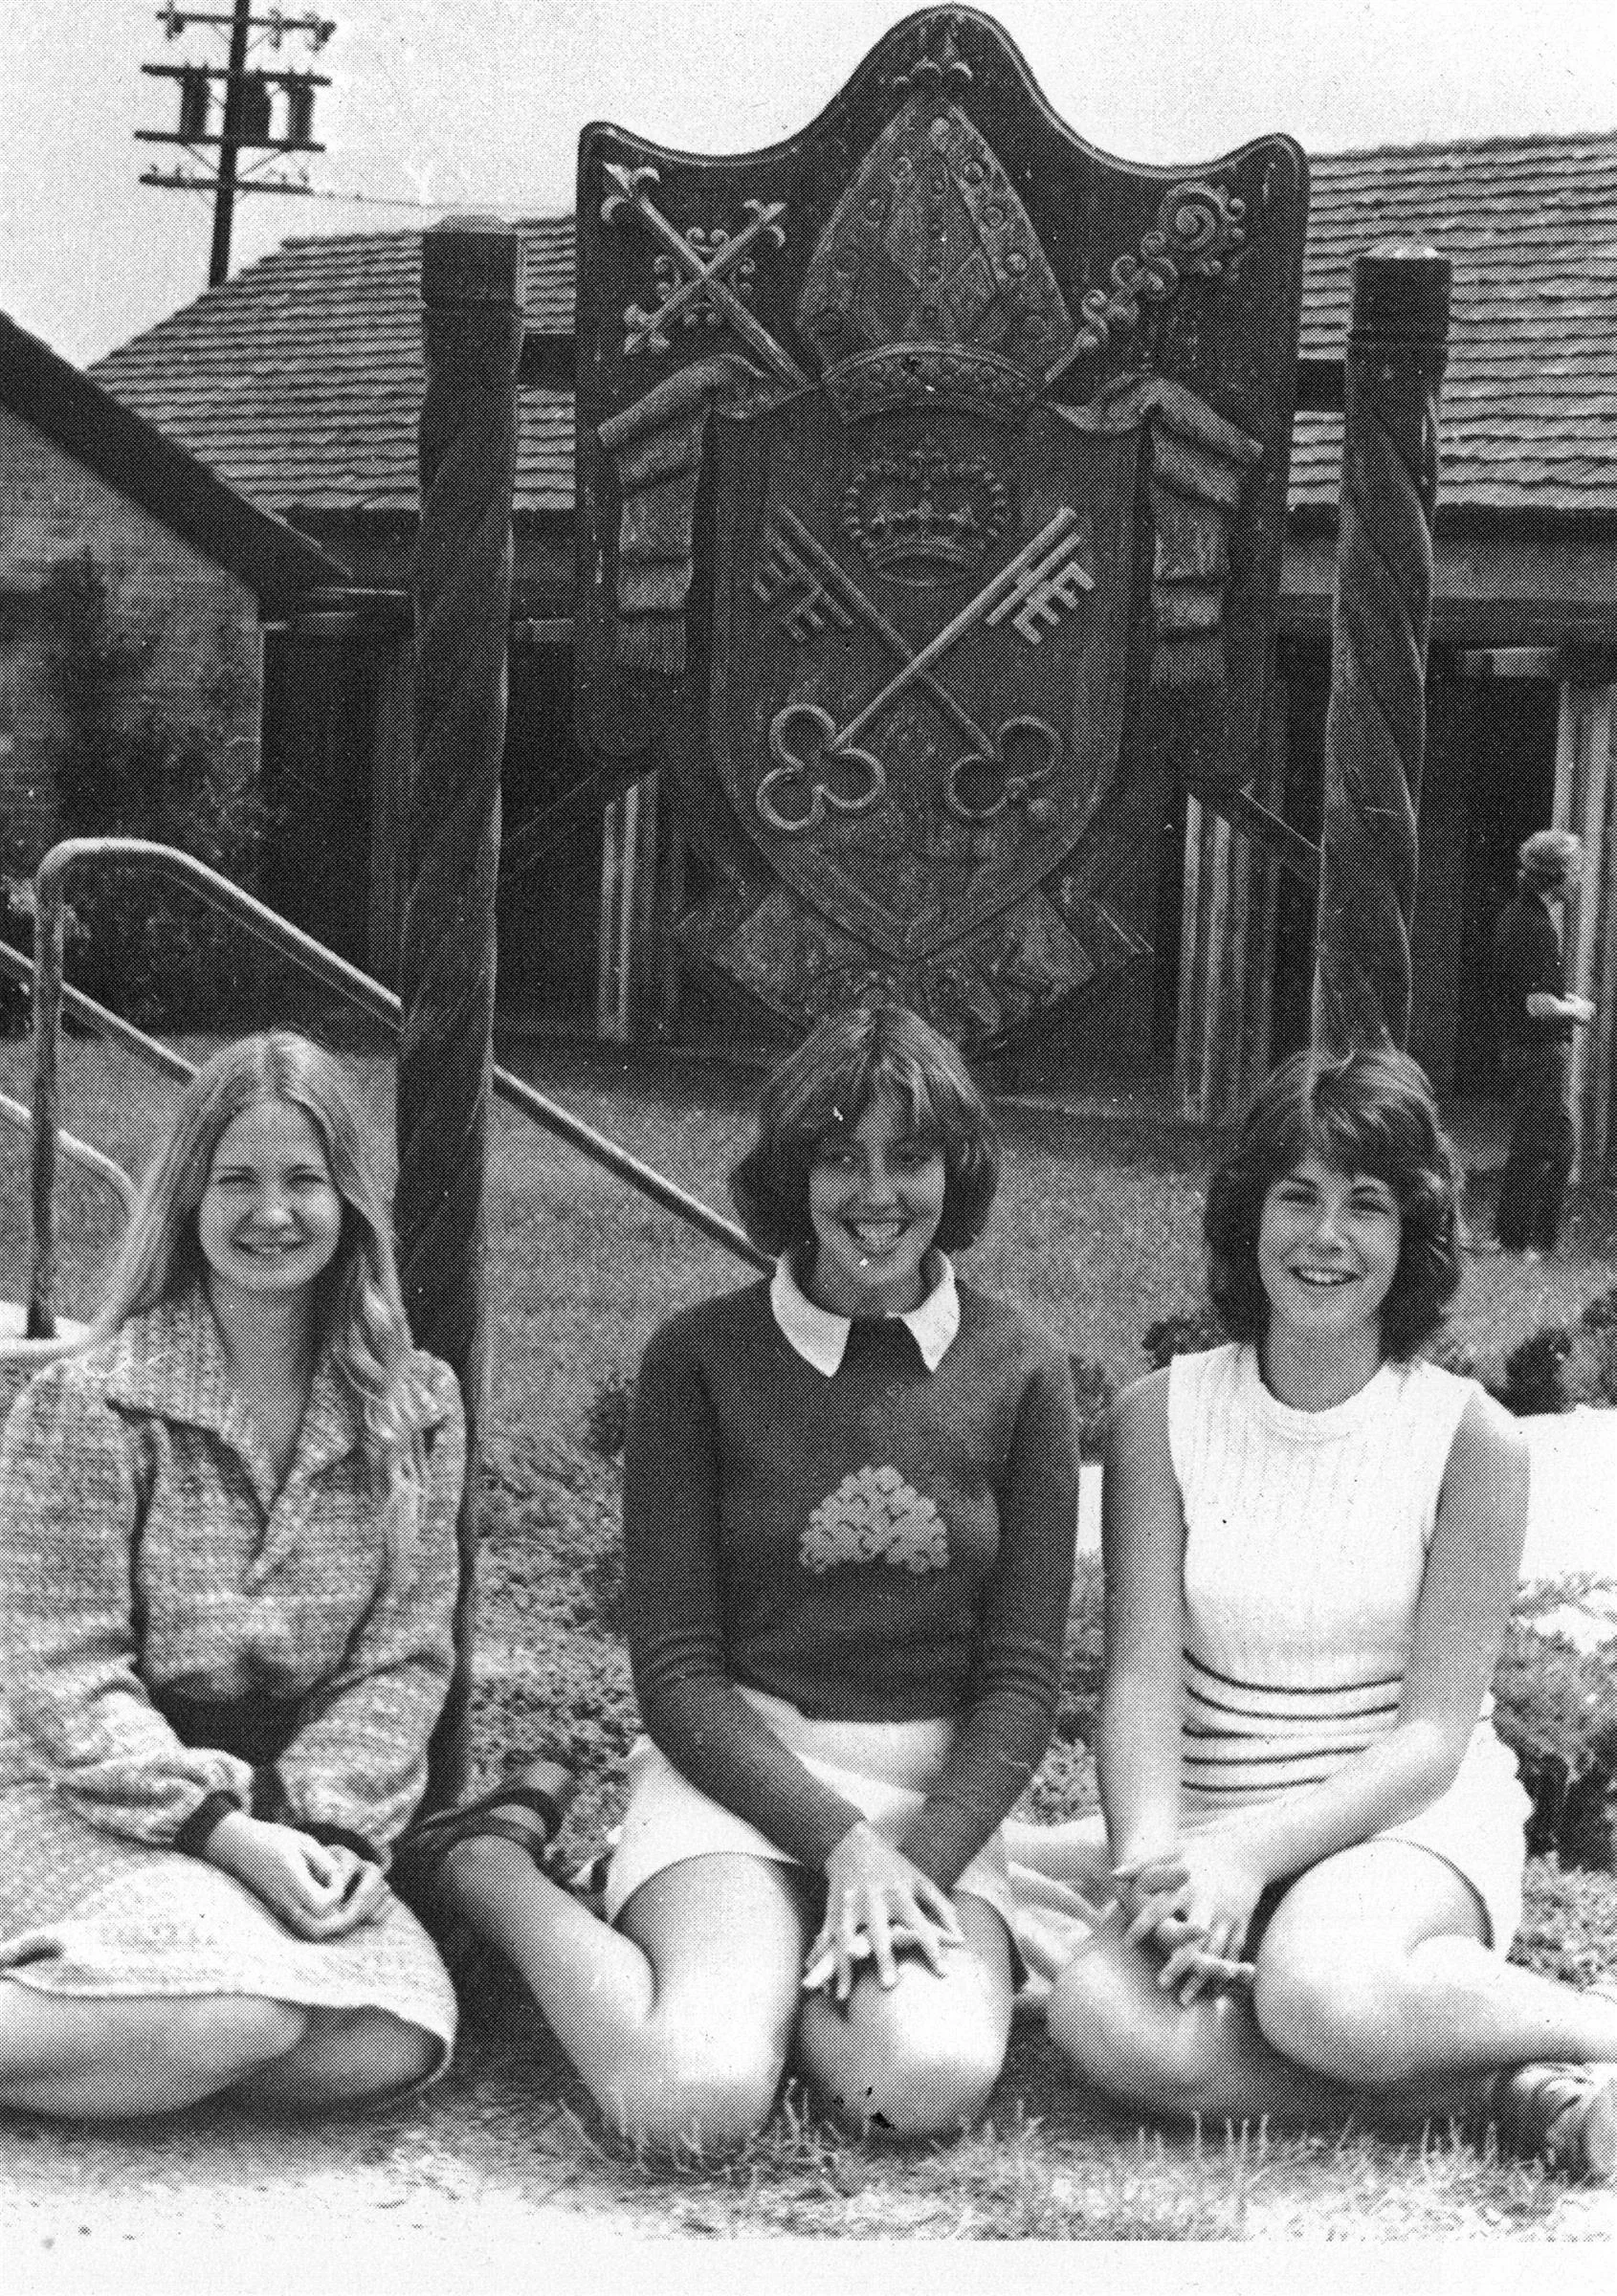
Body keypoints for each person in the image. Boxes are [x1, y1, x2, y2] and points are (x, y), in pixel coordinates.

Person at [405, 1003, 1080, 2152]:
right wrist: (839, 1848)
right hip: (737, 1777)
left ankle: (797, 1989)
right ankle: (489, 1867)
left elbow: (1020, 1681)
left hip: (929, 1814)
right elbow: (676, 1670)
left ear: (954, 1171)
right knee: (691, 2104)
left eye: (909, 1157)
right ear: (790, 1174)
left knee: (916, 2085)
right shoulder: (699, 1359)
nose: (877, 1194)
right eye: (838, 1158)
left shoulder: (1022, 1369)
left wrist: (907, 1865)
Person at [1006, 1047, 1617, 2179]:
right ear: (1249, 1216)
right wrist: (1151, 1868)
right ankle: (1497, 2096)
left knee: (1321, 1990)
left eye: (1365, 1205)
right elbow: (1139, 1681)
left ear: (1412, 1236)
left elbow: (1433, 1739)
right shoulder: (1159, 1417)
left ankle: (1593, 2032)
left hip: (1403, 1824)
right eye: (1298, 1195)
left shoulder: (1468, 1437)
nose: (1325, 1236)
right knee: (1102, 2020)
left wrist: (1247, 1858)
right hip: (1205, 1817)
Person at [0, 1031, 464, 2117]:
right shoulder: (92, 1400)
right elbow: (60, 1674)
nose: (272, 1213)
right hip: (74, 1786)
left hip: (286, 1805)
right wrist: (222, 1834)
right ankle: (167, 2027)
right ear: (187, 1200)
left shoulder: (414, 1404)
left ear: (348, 1199)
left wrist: (327, 1827)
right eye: (237, 1181)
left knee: (384, 2042)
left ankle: (127, 2038)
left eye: (304, 1180)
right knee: (243, 2015)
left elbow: (402, 1659)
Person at [1490, 828, 1595, 1256]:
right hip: (1537, 1050)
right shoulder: (1532, 925)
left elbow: (1531, 992)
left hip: (1530, 1049)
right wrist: (1578, 1010)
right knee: (1545, 1143)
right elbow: (1535, 1004)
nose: (1580, 880)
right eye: (1575, 871)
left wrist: (1565, 1001)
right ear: (1557, 876)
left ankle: (1527, 1235)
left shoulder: (1526, 916)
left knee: (1546, 1139)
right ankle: (1521, 1238)